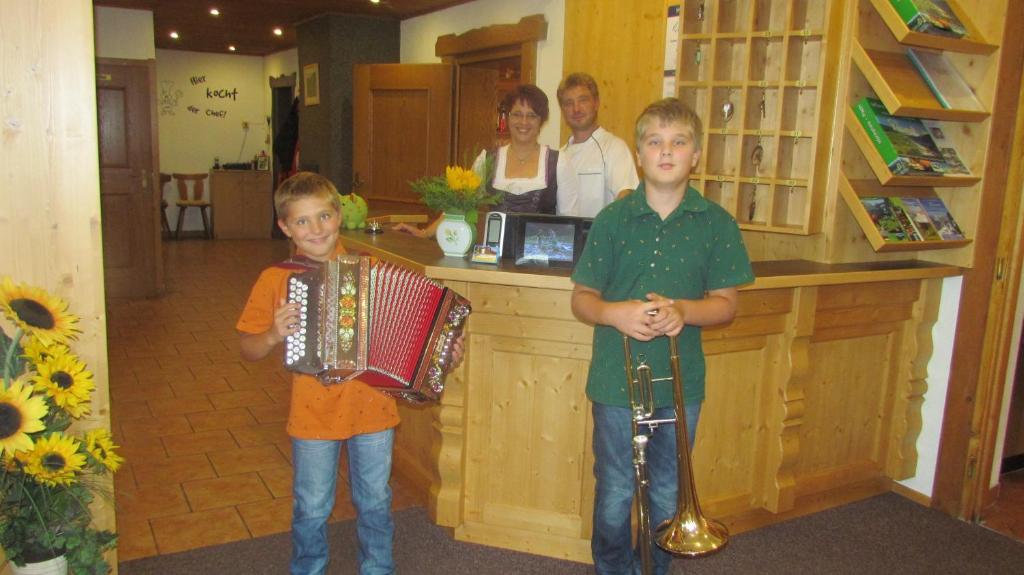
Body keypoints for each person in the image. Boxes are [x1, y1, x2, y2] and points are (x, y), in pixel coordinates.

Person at [236, 172, 463, 575]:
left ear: (339, 216)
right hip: (313, 416)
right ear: (285, 227)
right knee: (312, 504)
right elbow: (247, 348)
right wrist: (272, 333)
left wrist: (443, 353)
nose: (316, 229)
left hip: (373, 411)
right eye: (302, 221)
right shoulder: (277, 279)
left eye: (323, 216)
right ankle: (308, 568)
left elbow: (408, 334)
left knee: (375, 499)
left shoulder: (371, 270)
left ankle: (378, 567)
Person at [569, 98, 754, 575]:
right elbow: (582, 298)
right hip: (615, 380)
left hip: (681, 382)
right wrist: (615, 314)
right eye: (654, 142)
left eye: (678, 142)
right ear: (639, 155)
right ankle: (612, 569)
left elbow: (727, 305)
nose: (666, 151)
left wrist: (683, 312)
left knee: (669, 490)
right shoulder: (612, 219)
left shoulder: (717, 223)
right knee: (615, 488)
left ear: (695, 155)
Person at [395, 84, 580, 238]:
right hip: (492, 259)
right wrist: (425, 233)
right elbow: (458, 207)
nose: (524, 122)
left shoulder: (559, 162)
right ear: (507, 117)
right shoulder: (487, 160)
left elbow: (569, 223)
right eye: (517, 114)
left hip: (540, 264)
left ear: (542, 120)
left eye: (532, 115)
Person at [557, 73, 640, 218]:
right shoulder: (559, 156)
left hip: (600, 238)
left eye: (583, 100)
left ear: (596, 103)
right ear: (562, 109)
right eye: (569, 103)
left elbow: (627, 196)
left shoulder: (614, 147)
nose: (576, 109)